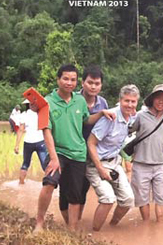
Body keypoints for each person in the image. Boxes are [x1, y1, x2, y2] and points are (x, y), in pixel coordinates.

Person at [34, 64, 114, 232]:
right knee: (49, 183)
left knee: (76, 195)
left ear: (76, 82)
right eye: (65, 79)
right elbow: (46, 131)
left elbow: (86, 120)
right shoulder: (47, 102)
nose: (69, 83)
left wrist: (101, 114)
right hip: (59, 152)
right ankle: (39, 222)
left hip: (78, 153)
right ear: (58, 79)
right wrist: (54, 158)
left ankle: (72, 230)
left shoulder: (79, 101)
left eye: (72, 80)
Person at [59, 65, 109, 223]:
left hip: (91, 155)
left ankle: (76, 222)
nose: (93, 86)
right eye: (90, 82)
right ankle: (68, 222)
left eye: (97, 83)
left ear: (101, 85)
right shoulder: (73, 100)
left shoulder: (103, 104)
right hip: (71, 151)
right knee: (65, 188)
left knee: (82, 190)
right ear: (82, 82)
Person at [86, 85, 139, 231]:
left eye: (133, 102)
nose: (129, 104)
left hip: (115, 163)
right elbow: (90, 143)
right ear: (120, 100)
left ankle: (112, 228)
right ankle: (93, 235)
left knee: (128, 200)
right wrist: (100, 169)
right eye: (126, 101)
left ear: (137, 103)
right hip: (96, 164)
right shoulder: (110, 118)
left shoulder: (133, 116)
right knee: (108, 199)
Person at [129, 84, 163, 222]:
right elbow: (127, 130)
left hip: (161, 165)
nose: (161, 101)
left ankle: (160, 227)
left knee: (161, 198)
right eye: (158, 98)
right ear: (152, 99)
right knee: (142, 198)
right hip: (141, 164)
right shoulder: (140, 116)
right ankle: (146, 226)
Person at [14, 100, 48, 184]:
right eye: (32, 104)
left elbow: (21, 130)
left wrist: (17, 145)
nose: (33, 105)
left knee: (26, 164)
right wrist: (17, 145)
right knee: (45, 164)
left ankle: (21, 184)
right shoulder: (42, 113)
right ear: (29, 105)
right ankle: (50, 184)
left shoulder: (24, 115)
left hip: (30, 142)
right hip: (40, 142)